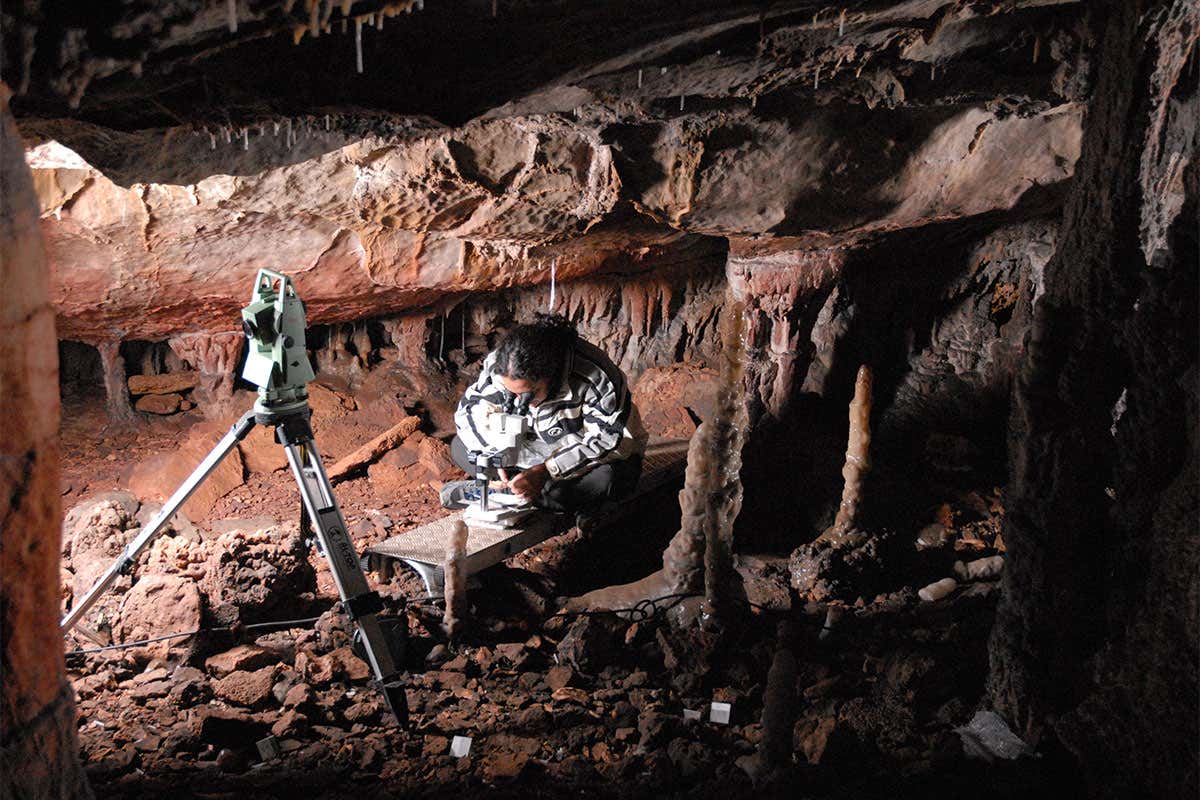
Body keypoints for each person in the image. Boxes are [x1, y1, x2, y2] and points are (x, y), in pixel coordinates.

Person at [444, 313, 647, 513]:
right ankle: (515, 488)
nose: (518, 401)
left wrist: (546, 471)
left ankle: (494, 493)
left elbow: (610, 440)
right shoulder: (503, 363)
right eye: (511, 393)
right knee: (460, 447)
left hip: (591, 455)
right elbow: (469, 410)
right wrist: (493, 455)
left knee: (606, 481)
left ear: (550, 375)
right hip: (534, 450)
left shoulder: (596, 375)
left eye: (527, 394)